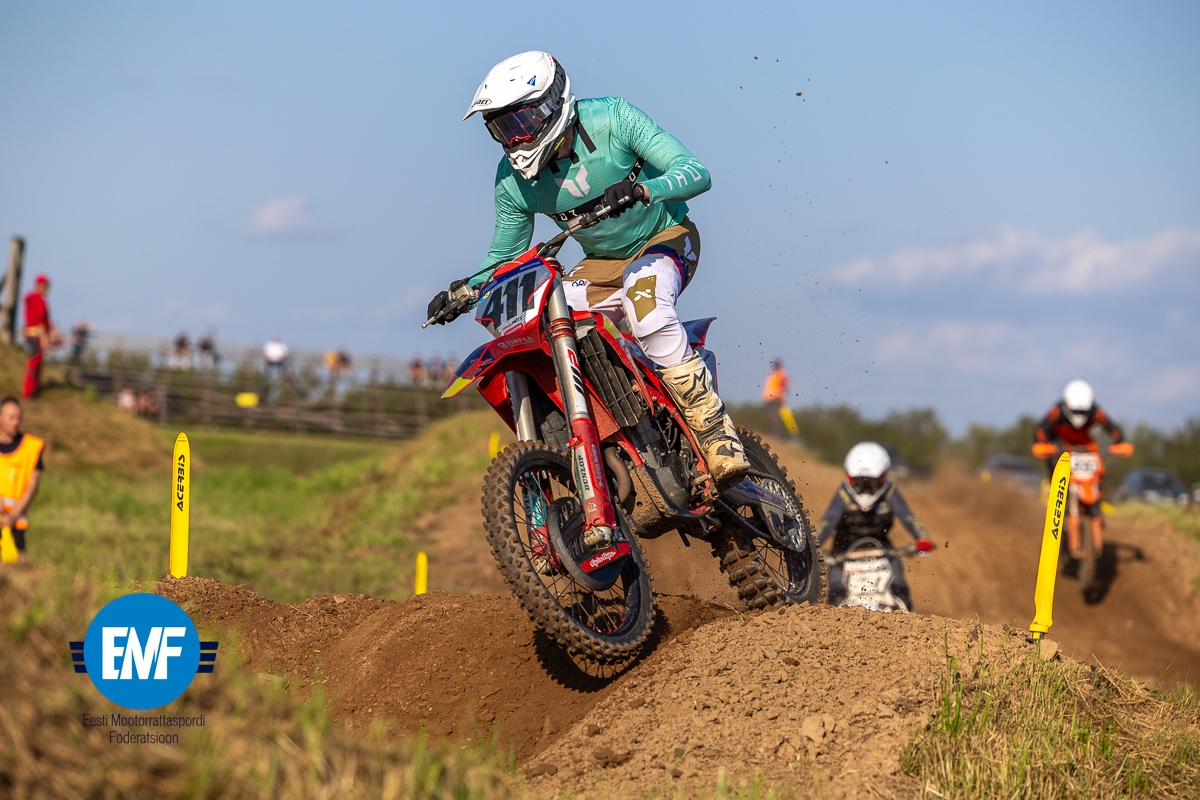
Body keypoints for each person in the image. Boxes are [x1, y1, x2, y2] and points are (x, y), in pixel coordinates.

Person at [427, 51, 749, 487]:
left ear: (552, 105)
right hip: (600, 264)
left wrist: (644, 190)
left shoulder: (613, 118)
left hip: (665, 236)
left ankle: (716, 433)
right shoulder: (512, 179)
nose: (514, 140)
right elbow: (506, 256)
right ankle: (617, 434)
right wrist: (466, 291)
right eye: (502, 129)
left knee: (647, 307)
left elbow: (695, 172)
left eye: (520, 123)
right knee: (547, 323)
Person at [815, 442, 933, 609]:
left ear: (884, 477)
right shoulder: (844, 493)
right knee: (836, 590)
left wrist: (923, 537)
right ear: (849, 477)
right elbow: (828, 521)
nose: (866, 489)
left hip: (883, 549)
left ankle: (908, 619)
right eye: (859, 482)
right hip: (842, 551)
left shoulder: (890, 491)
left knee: (900, 586)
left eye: (872, 483)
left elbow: (907, 516)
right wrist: (813, 545)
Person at [1033, 379, 1128, 559]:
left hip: (1085, 445)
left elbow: (1114, 428)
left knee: (1100, 467)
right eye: (1076, 411)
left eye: (1082, 411)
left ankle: (1097, 497)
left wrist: (1119, 442)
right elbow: (1040, 430)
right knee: (1054, 464)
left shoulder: (1095, 411)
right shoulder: (1057, 411)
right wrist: (1044, 444)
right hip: (1061, 444)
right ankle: (1057, 501)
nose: (1079, 415)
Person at [0, 397, 45, 560]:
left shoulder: (31, 447)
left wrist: (13, 515)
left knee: (18, 569)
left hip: (15, 523)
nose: (16, 422)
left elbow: (33, 487)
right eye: (11, 418)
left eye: (19, 418)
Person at [22, 274, 60, 399]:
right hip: (35, 335)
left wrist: (53, 331)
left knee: (37, 364)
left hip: (38, 334)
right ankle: (28, 393)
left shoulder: (40, 299)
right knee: (33, 364)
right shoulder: (36, 298)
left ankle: (34, 390)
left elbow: (45, 320)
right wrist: (44, 337)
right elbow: (39, 320)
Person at [762, 359, 789, 436]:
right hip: (770, 398)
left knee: (775, 416)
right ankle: (774, 432)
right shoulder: (773, 375)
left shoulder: (782, 374)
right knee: (771, 416)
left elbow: (785, 386)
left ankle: (777, 433)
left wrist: (782, 396)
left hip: (776, 398)